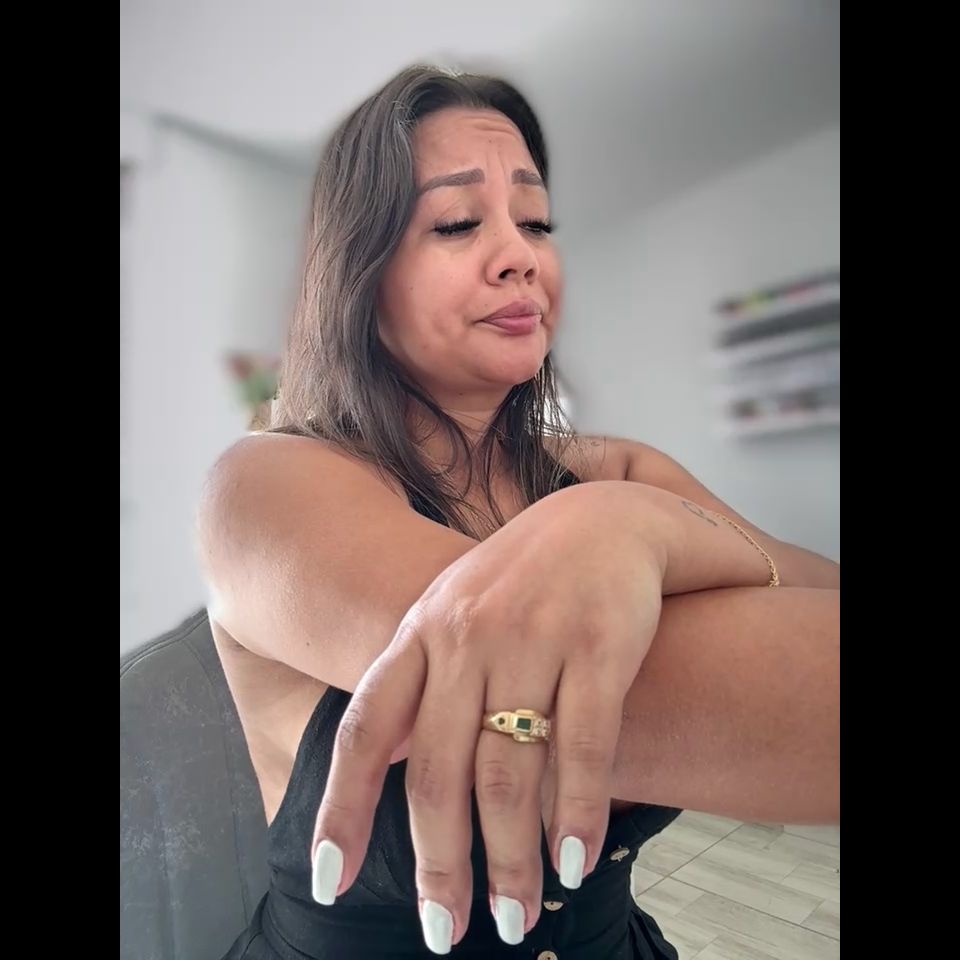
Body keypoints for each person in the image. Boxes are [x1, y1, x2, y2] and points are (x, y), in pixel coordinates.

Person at [197, 64, 840, 960]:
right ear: (358, 275)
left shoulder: (615, 474)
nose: (520, 256)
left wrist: (642, 525)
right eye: (457, 223)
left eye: (535, 221)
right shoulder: (269, 486)